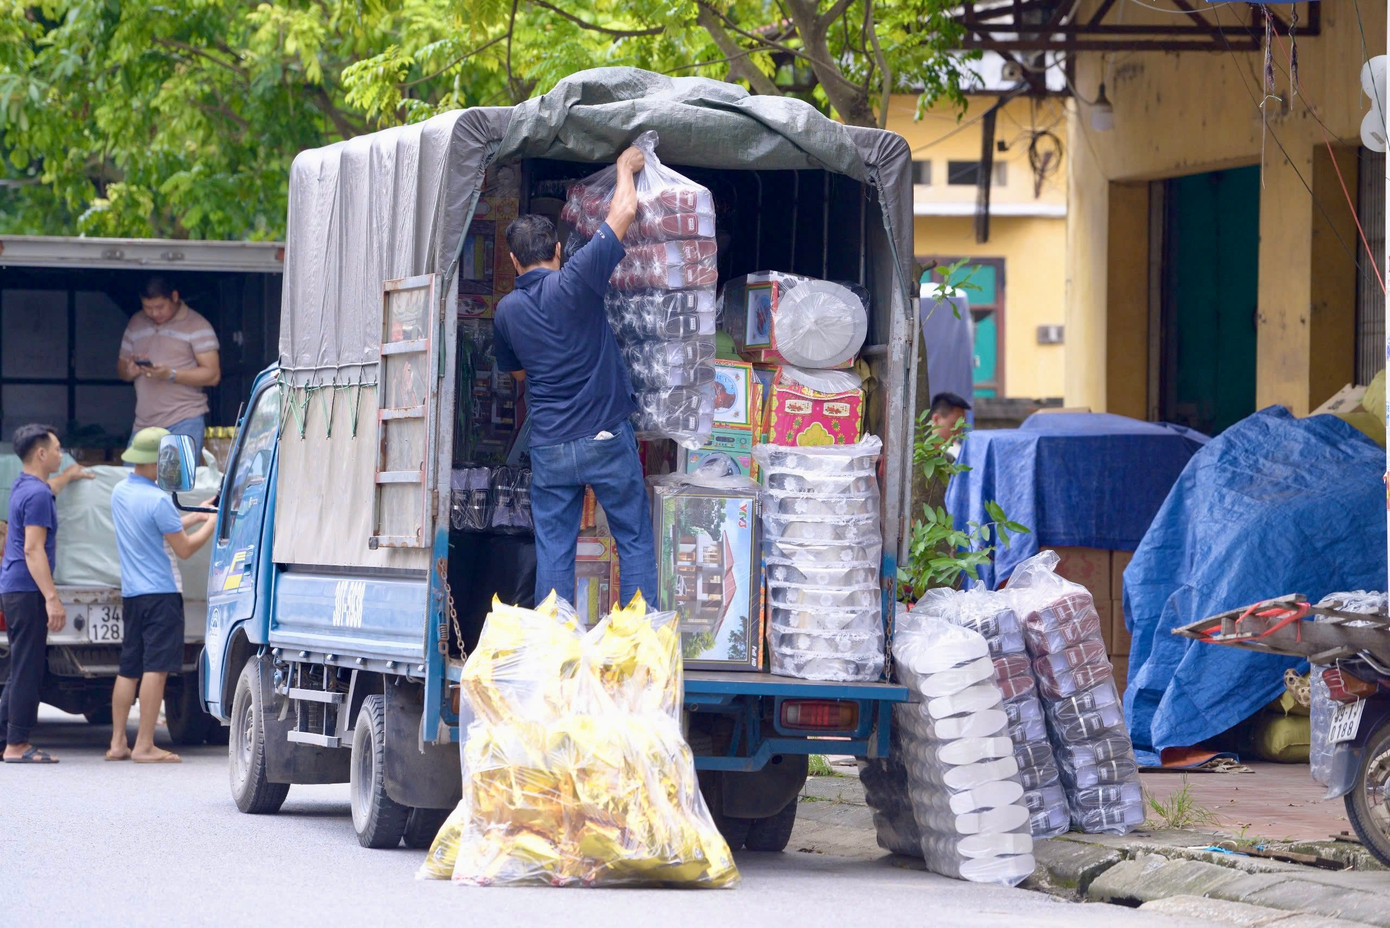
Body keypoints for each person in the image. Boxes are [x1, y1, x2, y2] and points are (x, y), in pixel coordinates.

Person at [492, 146, 658, 610]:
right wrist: (625, 167)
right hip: (605, 435)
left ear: (511, 261)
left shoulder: (506, 313)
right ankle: (639, 649)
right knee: (634, 540)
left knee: (554, 552)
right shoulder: (578, 277)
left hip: (549, 448)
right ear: (559, 250)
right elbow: (624, 209)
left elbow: (521, 372)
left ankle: (555, 654)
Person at [106, 427, 217, 764]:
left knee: (129, 667)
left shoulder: (121, 492)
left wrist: (193, 515)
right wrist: (211, 522)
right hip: (162, 595)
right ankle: (144, 745)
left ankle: (117, 744)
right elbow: (183, 549)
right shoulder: (158, 499)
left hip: (134, 595)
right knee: (157, 668)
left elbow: (153, 525)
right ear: (158, 461)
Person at [0, 425, 69, 763]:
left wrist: (71, 475)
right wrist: (52, 598)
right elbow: (33, 549)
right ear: (41, 453)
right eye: (57, 449)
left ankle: (4, 739)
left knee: (19, 666)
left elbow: (50, 487)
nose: (60, 453)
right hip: (28, 590)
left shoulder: (24, 486)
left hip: (13, 587)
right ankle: (17, 744)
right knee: (28, 669)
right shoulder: (38, 495)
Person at [116, 276, 221, 459]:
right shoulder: (136, 322)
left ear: (174, 297)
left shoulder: (197, 325)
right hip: (143, 423)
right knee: (133, 481)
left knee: (177, 483)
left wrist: (171, 374)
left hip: (183, 419)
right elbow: (121, 368)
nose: (154, 313)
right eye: (148, 307)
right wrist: (129, 371)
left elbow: (212, 375)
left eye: (159, 307)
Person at [930, 391, 972, 459]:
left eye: (961, 426)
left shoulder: (949, 460)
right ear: (936, 419)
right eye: (954, 425)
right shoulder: (914, 454)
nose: (958, 432)